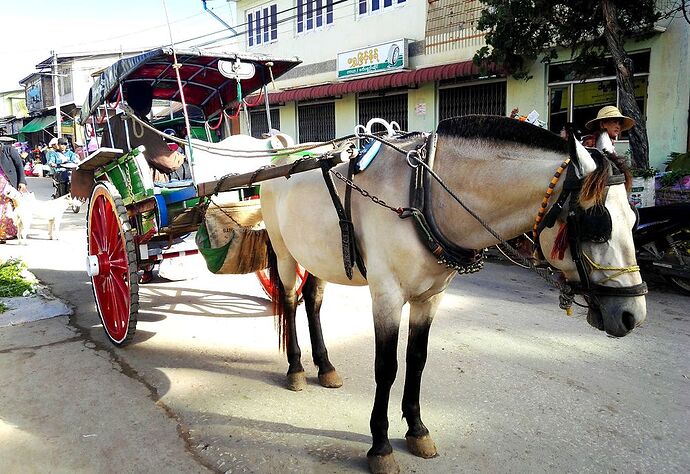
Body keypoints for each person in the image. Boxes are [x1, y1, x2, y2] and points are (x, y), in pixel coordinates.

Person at [0, 136, 28, 243]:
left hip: (7, 185)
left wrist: (22, 181)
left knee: (7, 209)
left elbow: (19, 166)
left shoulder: (9, 150)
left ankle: (6, 233)